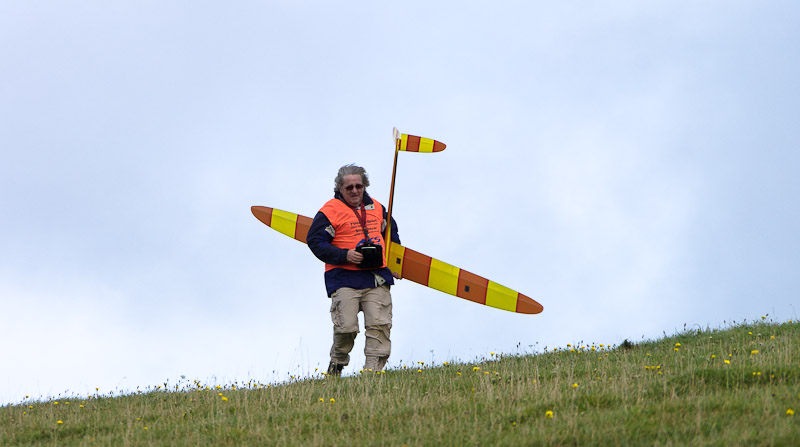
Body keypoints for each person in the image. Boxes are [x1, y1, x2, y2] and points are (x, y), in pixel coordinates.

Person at [307, 164, 401, 376]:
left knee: (379, 326)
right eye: (349, 187)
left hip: (376, 277)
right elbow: (315, 241)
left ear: (365, 186)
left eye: (359, 186)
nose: (354, 191)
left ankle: (371, 376)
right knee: (346, 328)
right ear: (340, 188)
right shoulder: (329, 211)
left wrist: (395, 262)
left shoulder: (377, 208)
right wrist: (345, 255)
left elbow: (391, 233)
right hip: (343, 278)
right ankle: (337, 363)